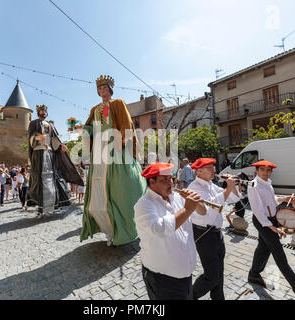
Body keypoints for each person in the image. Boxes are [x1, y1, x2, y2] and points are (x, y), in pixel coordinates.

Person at [80, 75, 146, 246]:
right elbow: (89, 126)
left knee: (123, 188)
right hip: (100, 150)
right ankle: (108, 228)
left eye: (104, 87)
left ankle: (129, 225)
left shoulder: (118, 103)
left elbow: (126, 122)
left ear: (110, 89)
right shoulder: (94, 108)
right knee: (98, 190)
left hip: (116, 146)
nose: (102, 90)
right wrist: (84, 130)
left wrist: (124, 139)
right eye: (99, 88)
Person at [134, 163, 207, 300]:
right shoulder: (144, 204)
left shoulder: (178, 198)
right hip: (163, 279)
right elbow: (160, 229)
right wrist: (187, 209)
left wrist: (197, 202)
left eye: (171, 178)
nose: (171, 183)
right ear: (152, 181)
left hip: (185, 274)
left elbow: (203, 213)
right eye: (164, 180)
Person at [247, 160, 295, 300]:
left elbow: (271, 200)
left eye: (268, 170)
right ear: (257, 171)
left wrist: (284, 198)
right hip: (263, 221)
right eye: (262, 170)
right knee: (280, 256)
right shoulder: (254, 185)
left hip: (271, 220)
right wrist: (272, 227)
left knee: (263, 249)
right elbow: (257, 210)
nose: (265, 172)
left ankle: (254, 275)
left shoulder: (267, 183)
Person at [187, 158, 241, 300]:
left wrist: (232, 185)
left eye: (213, 167)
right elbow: (209, 209)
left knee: (220, 273)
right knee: (211, 276)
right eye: (210, 168)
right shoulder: (194, 188)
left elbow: (233, 199)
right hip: (204, 234)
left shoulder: (211, 185)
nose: (214, 170)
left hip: (216, 233)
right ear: (199, 171)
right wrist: (228, 188)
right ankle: (190, 296)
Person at [27, 105, 82, 218]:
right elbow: (31, 139)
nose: (44, 112)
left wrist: (61, 146)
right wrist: (41, 138)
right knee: (40, 179)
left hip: (50, 154)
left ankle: (50, 206)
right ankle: (40, 208)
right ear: (38, 112)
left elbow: (54, 140)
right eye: (42, 111)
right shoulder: (34, 123)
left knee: (51, 179)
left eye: (45, 111)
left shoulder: (50, 125)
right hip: (38, 153)